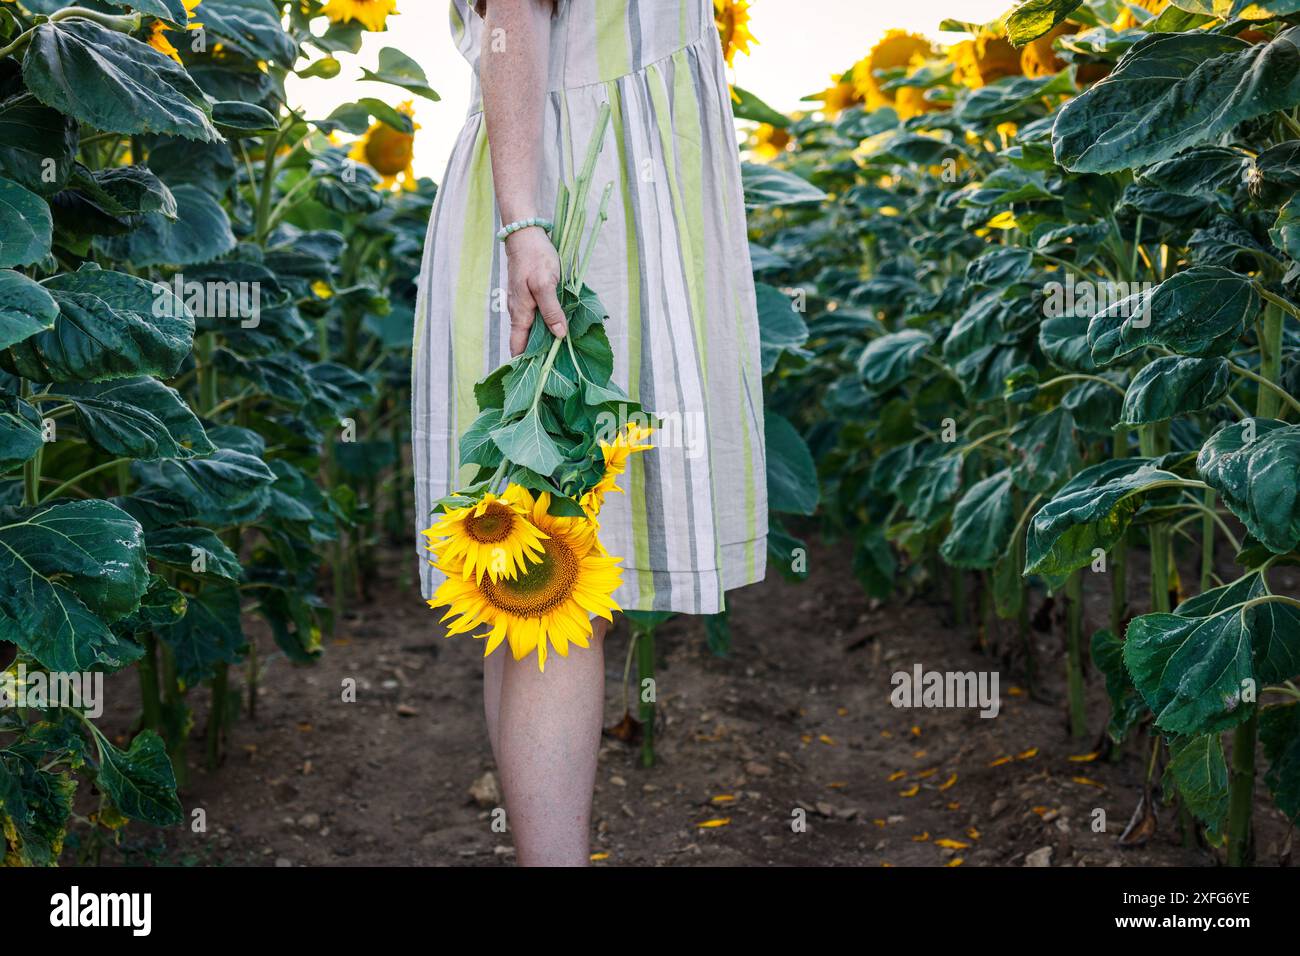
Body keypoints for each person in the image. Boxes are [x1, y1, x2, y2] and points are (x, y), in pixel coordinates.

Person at [411, 0, 767, 865]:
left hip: (603, 191)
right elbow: (515, 15)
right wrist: (525, 224)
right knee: (552, 584)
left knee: (530, 588)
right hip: (578, 207)